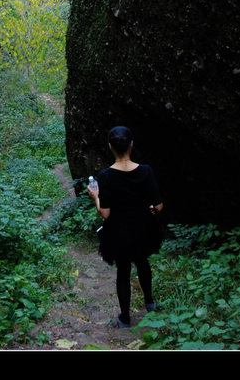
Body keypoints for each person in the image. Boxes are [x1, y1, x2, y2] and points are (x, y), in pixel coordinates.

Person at [86, 125, 164, 328]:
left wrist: (95, 197)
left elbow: (105, 213)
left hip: (119, 231)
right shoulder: (146, 171)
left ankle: (125, 318)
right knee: (143, 262)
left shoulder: (105, 176)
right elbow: (158, 206)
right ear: (131, 145)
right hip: (143, 229)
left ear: (110, 147)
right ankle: (150, 302)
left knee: (123, 271)